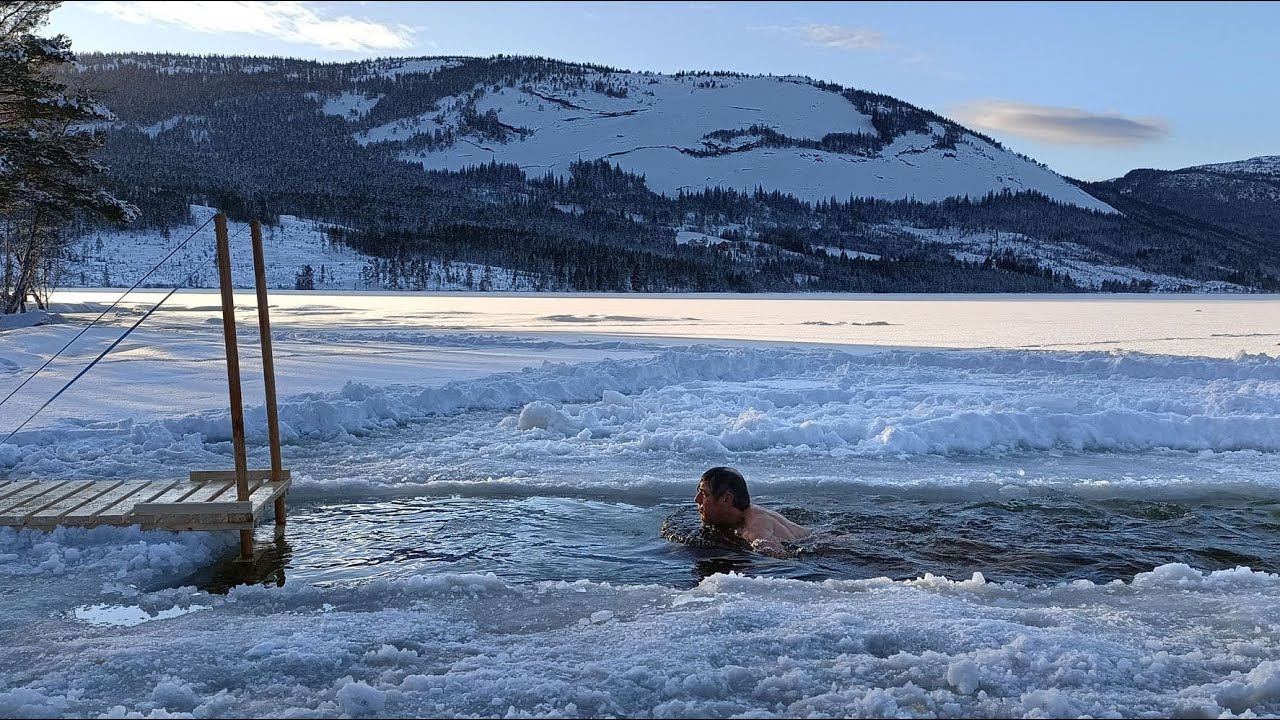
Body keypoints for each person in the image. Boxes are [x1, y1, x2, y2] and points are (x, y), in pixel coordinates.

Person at [694, 466, 809, 552]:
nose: (696, 499)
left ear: (727, 499)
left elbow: (782, 559)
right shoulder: (747, 512)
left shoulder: (755, 531)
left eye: (704, 494)